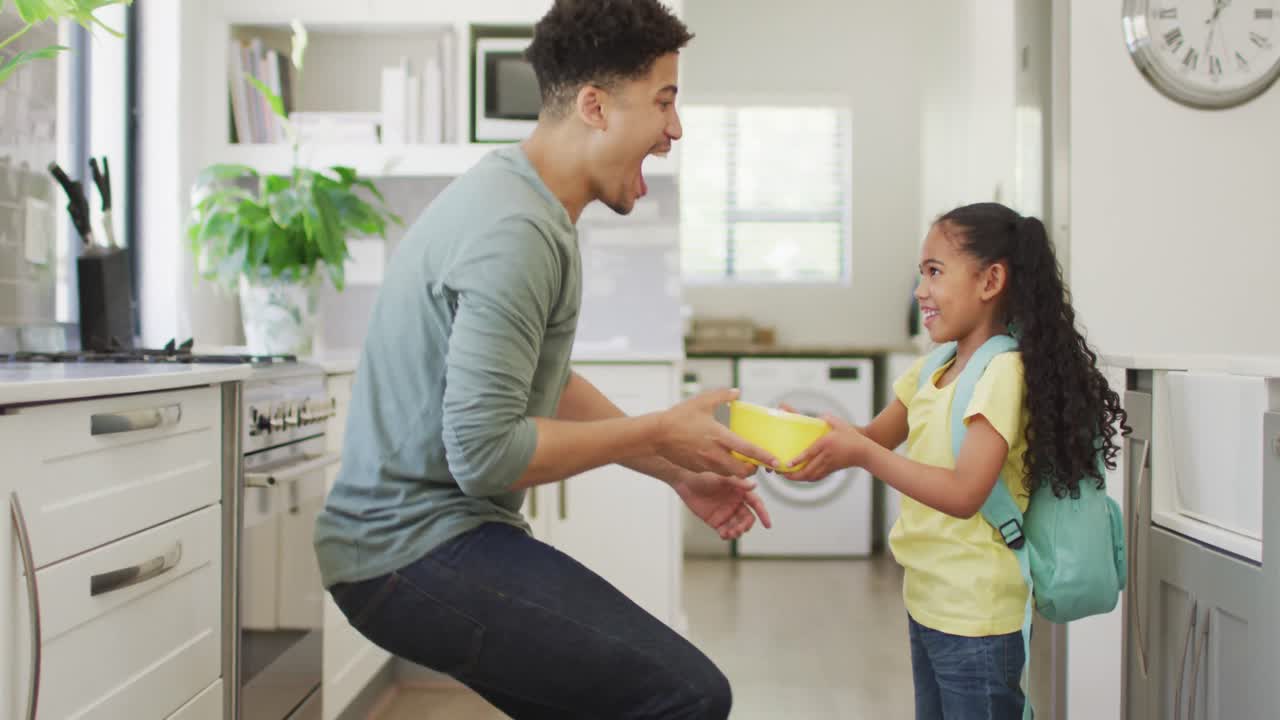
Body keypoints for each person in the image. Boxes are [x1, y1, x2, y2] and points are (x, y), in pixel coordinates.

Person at [313, 1, 776, 718]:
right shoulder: (516, 229)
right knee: (687, 695)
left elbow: (546, 383)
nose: (675, 130)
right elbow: (486, 455)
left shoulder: (524, 203)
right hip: (408, 551)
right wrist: (658, 431)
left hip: (420, 542)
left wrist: (677, 472)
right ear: (594, 106)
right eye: (663, 102)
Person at [784, 202, 1127, 719]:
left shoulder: (1003, 373)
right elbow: (872, 436)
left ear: (990, 281)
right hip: (928, 598)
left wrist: (862, 455)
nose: (920, 290)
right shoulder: (932, 369)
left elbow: (965, 493)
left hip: (977, 614)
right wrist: (801, 433)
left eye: (935, 272)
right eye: (921, 273)